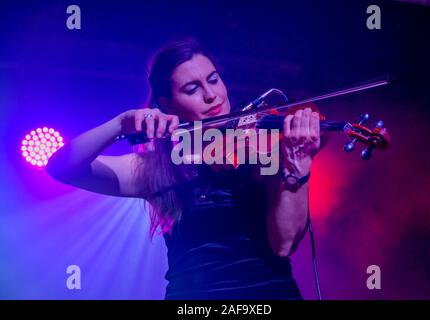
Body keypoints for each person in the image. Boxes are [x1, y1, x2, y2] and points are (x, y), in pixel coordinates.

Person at [46, 38, 321, 300]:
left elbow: (284, 244)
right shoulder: (155, 168)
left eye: (213, 80)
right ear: (166, 104)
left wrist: (297, 163)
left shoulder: (262, 149)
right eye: (192, 89)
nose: (211, 95)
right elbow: (61, 167)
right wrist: (120, 123)